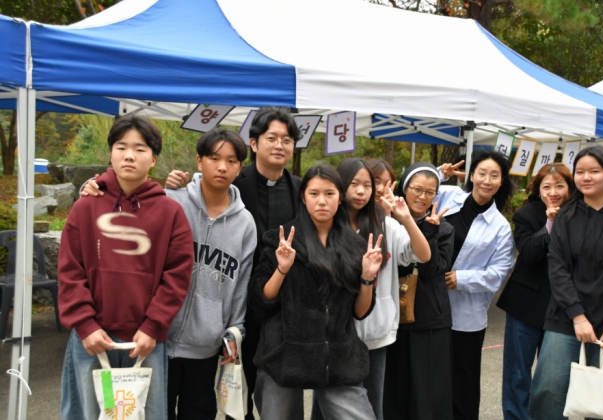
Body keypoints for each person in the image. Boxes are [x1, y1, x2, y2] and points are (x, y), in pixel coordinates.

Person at [81, 128, 257, 418]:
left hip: (205, 343)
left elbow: (241, 282)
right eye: (214, 158)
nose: (222, 167)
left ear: (240, 167)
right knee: (151, 413)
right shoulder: (171, 202)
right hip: (155, 337)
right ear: (199, 161)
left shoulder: (245, 223)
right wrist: (92, 186)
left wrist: (235, 330)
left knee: (198, 412)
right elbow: (125, 205)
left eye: (231, 161)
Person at [165, 107, 301, 420]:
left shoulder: (301, 189)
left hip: (279, 307)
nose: (279, 145)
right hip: (233, 309)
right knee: (231, 395)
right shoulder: (231, 182)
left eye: (287, 139)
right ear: (254, 143)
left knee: (272, 393)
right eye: (271, 138)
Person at [58, 115, 194, 420]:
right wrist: (85, 324)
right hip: (92, 339)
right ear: (111, 153)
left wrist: (153, 326)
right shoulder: (85, 207)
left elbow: (177, 275)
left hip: (144, 341)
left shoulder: (171, 212)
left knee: (143, 414)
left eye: (140, 149)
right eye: (121, 147)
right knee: (89, 414)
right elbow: (69, 270)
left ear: (154, 159)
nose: (129, 155)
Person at [249, 164, 382, 419]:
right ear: (303, 197)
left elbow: (360, 312)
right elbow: (261, 299)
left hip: (339, 357)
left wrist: (367, 277)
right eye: (314, 193)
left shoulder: (354, 245)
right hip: (284, 354)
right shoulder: (282, 240)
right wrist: (282, 268)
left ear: (339, 197)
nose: (322, 201)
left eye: (329, 193)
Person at [529, 145, 603, 420]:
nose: (585, 177)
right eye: (580, 171)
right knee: (548, 392)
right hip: (565, 318)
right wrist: (577, 316)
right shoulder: (566, 215)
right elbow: (558, 269)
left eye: (594, 171)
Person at [312, 158, 431, 420]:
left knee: (371, 407)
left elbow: (423, 255)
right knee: (327, 410)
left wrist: (405, 218)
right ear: (341, 186)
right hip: (334, 336)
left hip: (374, 336)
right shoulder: (327, 225)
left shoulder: (386, 226)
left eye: (368, 186)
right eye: (354, 184)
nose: (361, 191)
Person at [434, 150, 515, 420]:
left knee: (463, 382)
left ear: (501, 182)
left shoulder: (500, 227)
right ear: (471, 175)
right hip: (431, 303)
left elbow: (498, 273)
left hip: (466, 316)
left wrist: (462, 279)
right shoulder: (448, 196)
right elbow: (416, 193)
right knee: (430, 376)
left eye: (494, 176)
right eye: (482, 173)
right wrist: (439, 174)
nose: (487, 180)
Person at [495, 163, 573, 420]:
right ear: (538, 190)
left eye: (559, 186)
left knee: (556, 376)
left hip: (563, 306)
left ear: (570, 188)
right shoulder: (526, 214)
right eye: (547, 186)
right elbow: (528, 253)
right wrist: (550, 223)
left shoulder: (580, 213)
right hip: (525, 304)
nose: (553, 192)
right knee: (517, 372)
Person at [383, 162, 455, 420]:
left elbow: (432, 268)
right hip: (393, 314)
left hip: (429, 318)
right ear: (405, 188)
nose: (423, 197)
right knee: (395, 386)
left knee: (429, 389)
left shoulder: (444, 228)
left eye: (430, 192)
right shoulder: (387, 221)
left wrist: (429, 232)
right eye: (417, 189)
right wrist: (388, 217)